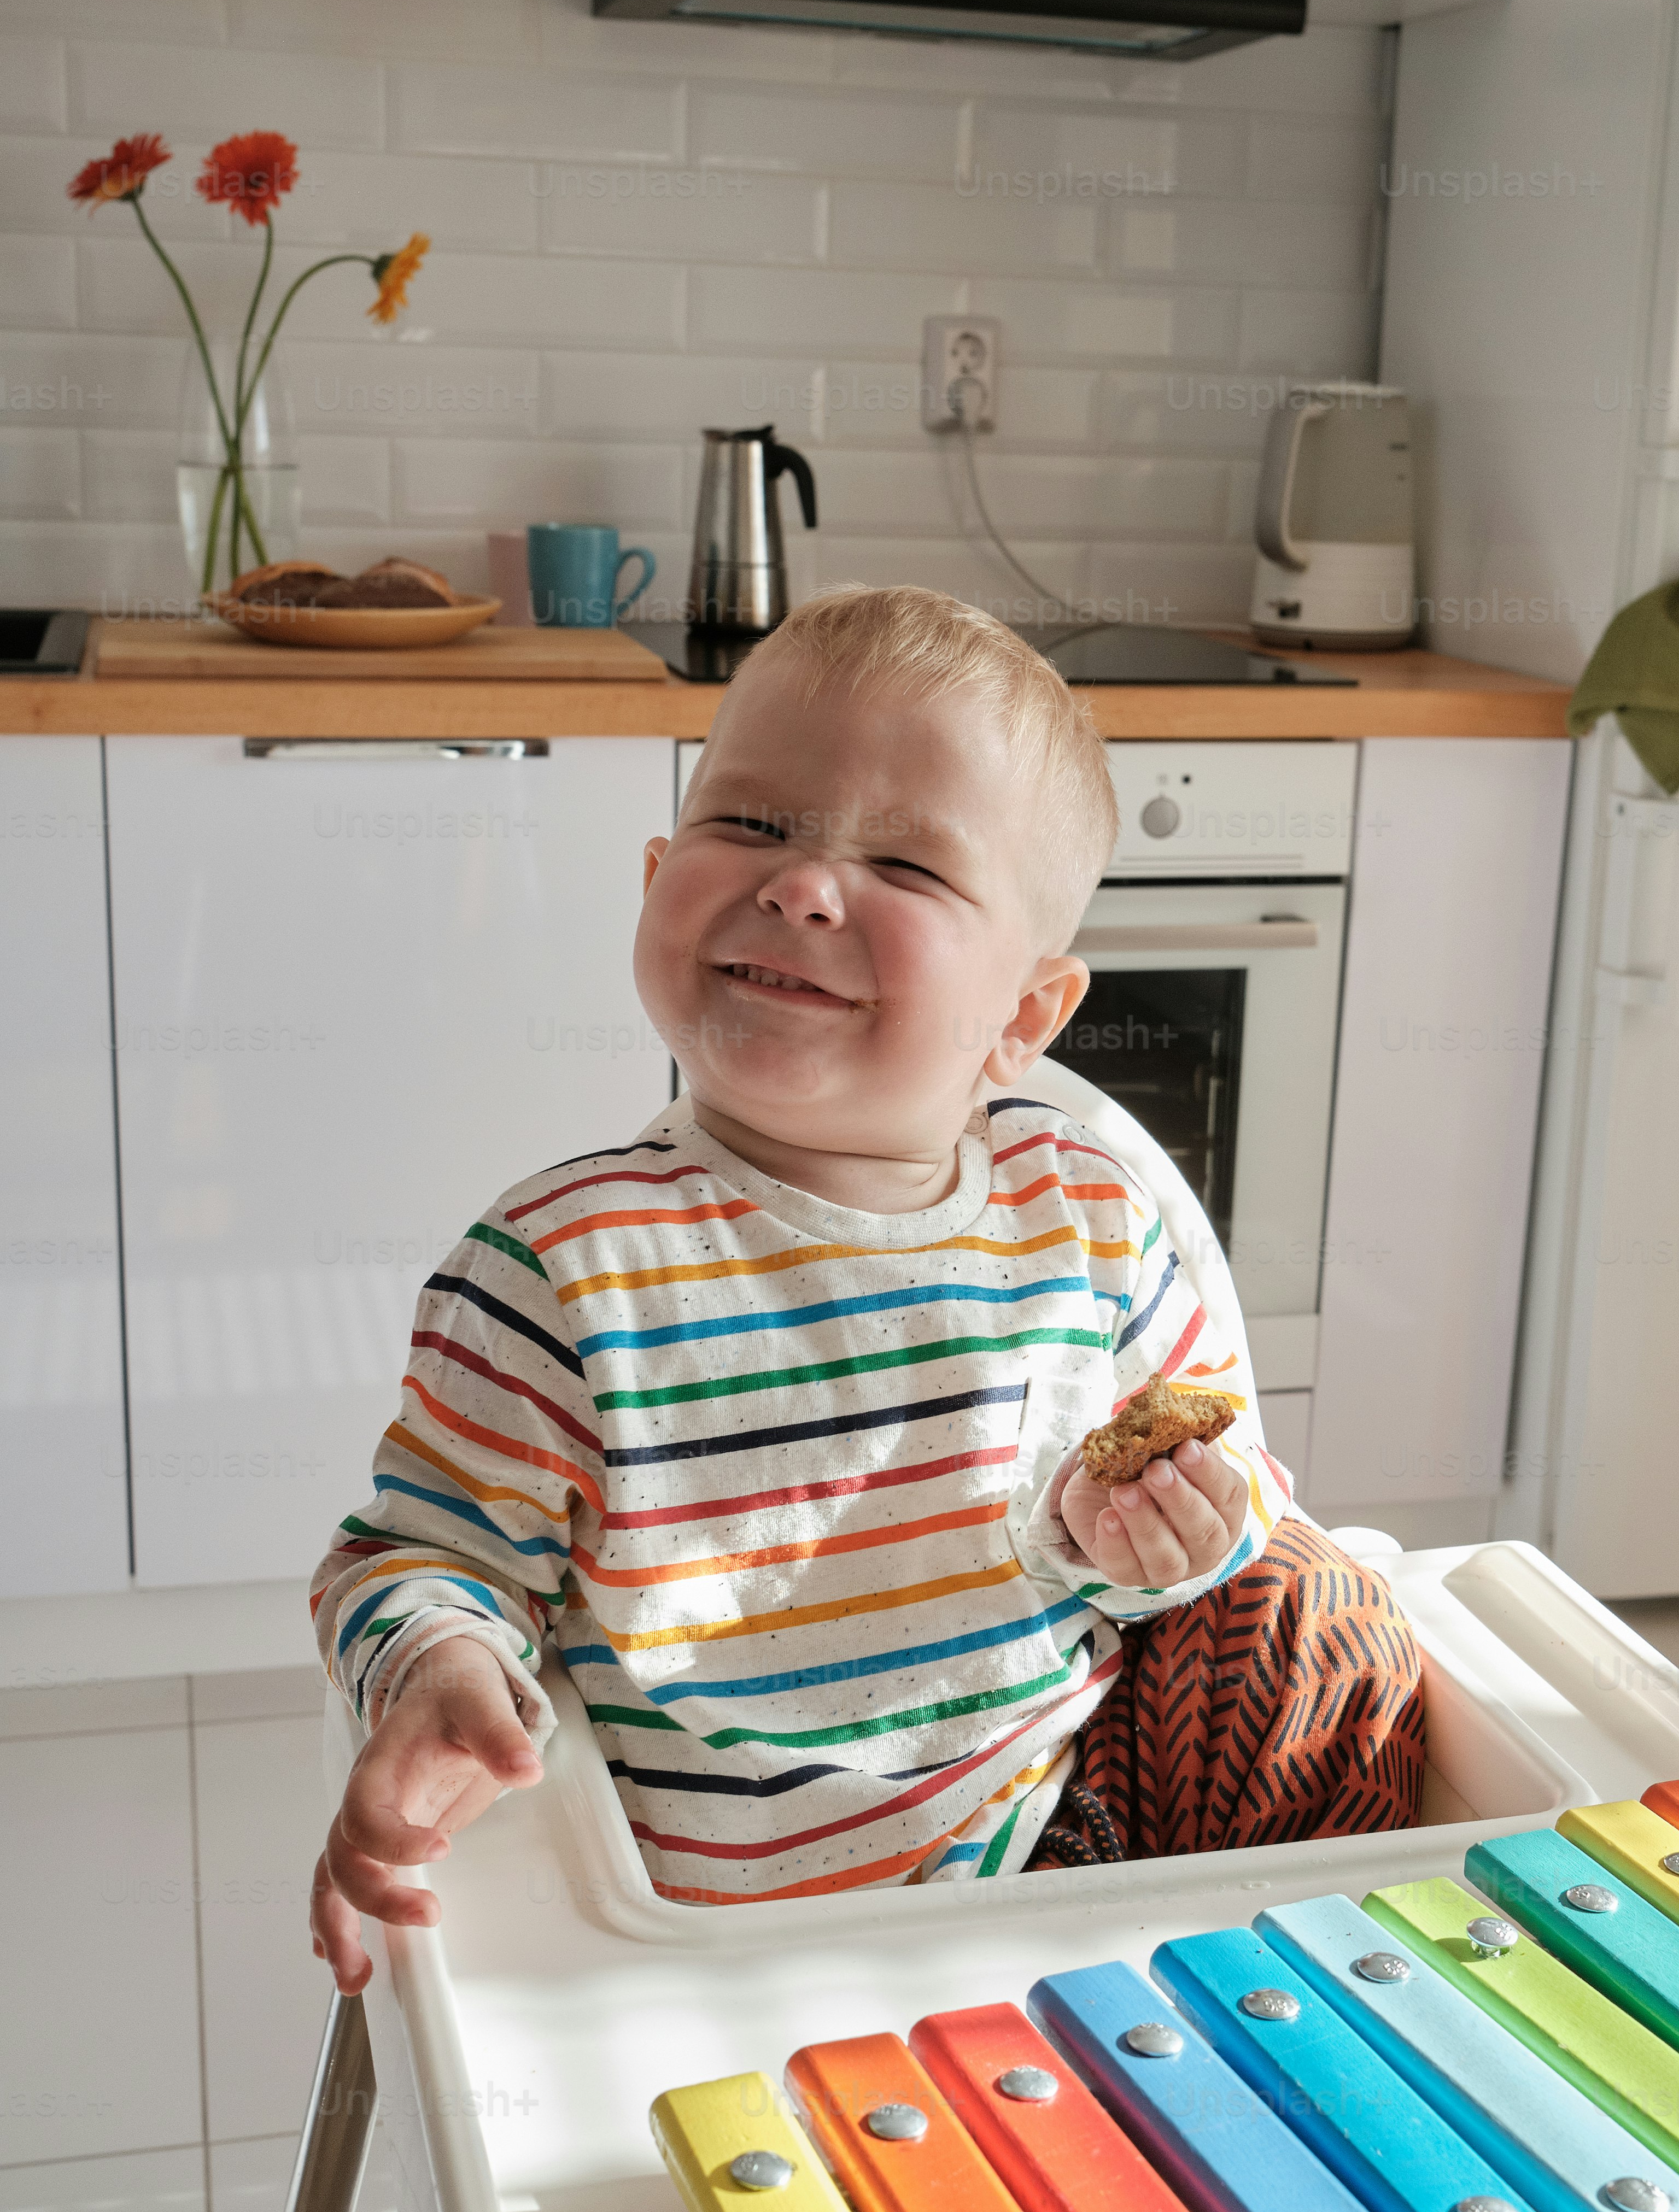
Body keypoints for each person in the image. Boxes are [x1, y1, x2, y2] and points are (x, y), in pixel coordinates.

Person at [308, 585, 1423, 1990]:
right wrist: (438, 1670)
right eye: (753, 824)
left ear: (1025, 1014)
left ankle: (1288, 2054)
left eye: (904, 863)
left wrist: (1167, 1530)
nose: (803, 883)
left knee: (1327, 1610)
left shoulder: (1091, 1214)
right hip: (736, 1942)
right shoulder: (563, 1267)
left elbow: (1226, 1488)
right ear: (660, 873)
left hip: (1063, 1865)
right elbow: (418, 1555)